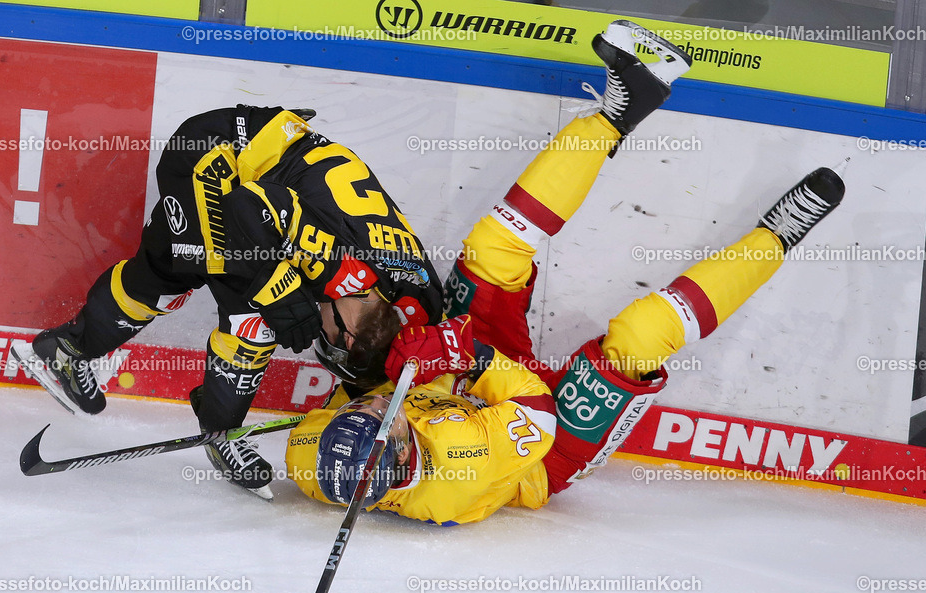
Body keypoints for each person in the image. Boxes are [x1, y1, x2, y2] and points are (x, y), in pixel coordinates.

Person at [283, 20, 846, 524]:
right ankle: (778, 236)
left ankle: (620, 110)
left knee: (491, 250)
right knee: (640, 339)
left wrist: (365, 405)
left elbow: (340, 415)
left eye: (364, 411)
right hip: (538, 443)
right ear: (406, 453)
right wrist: (463, 355)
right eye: (382, 417)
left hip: (452, 386)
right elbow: (534, 405)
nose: (376, 405)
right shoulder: (457, 474)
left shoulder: (313, 455)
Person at [14, 105, 444, 500]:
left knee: (167, 272)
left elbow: (426, 331)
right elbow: (245, 209)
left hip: (248, 158)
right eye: (329, 340)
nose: (321, 331)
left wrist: (402, 385)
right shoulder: (329, 250)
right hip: (212, 162)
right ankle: (222, 431)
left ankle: (65, 349)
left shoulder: (414, 290)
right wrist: (281, 295)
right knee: (258, 314)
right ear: (349, 336)